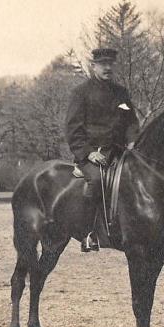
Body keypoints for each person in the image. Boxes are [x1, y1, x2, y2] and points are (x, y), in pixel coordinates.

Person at [65, 47, 139, 252]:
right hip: (93, 155)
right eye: (102, 64)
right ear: (93, 66)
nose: (107, 68)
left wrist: (133, 141)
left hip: (120, 153)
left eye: (110, 64)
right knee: (96, 181)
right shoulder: (81, 93)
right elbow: (73, 128)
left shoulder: (121, 93)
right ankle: (89, 233)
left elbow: (132, 122)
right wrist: (88, 152)